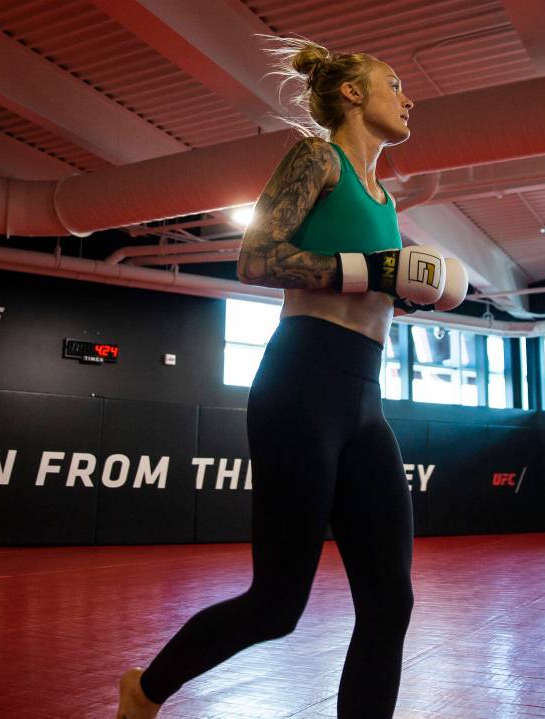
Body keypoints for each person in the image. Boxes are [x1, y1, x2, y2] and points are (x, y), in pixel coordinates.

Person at [116, 37, 467, 719]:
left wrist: (410, 284)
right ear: (353, 94)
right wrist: (377, 271)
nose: (409, 95)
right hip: (302, 381)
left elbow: (376, 283)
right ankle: (146, 689)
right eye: (394, 81)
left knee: (391, 600)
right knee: (277, 604)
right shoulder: (318, 157)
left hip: (365, 397)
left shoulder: (386, 199)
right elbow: (255, 256)